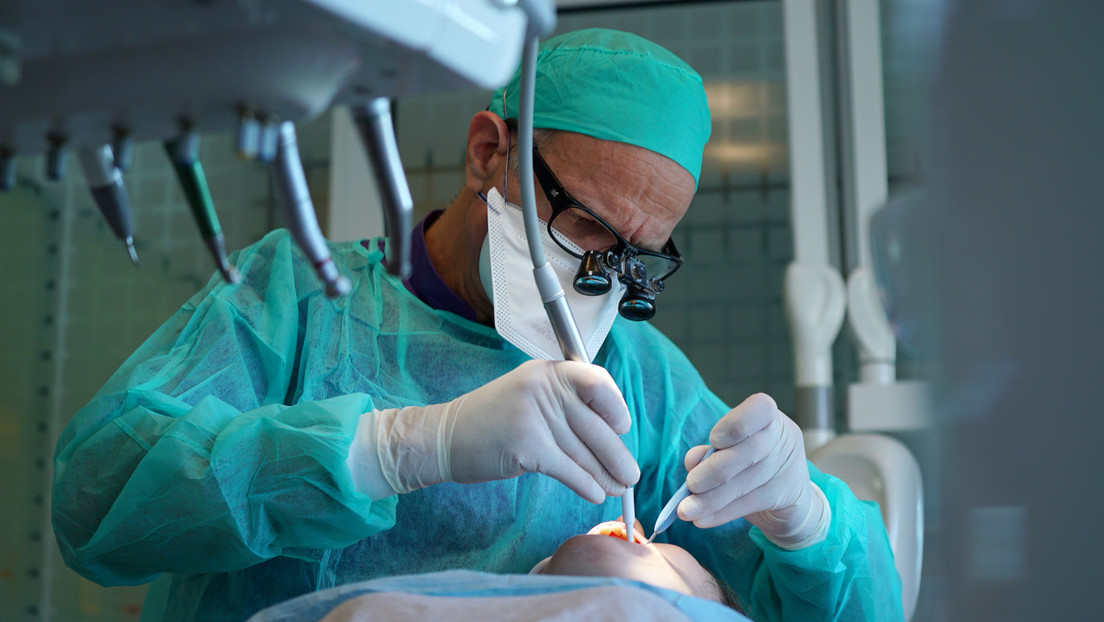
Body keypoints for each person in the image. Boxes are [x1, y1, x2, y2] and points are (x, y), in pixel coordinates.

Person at [52, 28, 902, 621]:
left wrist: (804, 519)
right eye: (583, 226)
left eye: (637, 256)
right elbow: (95, 500)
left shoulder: (638, 374)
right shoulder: (300, 298)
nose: (603, 277)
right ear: (489, 153)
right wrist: (395, 448)